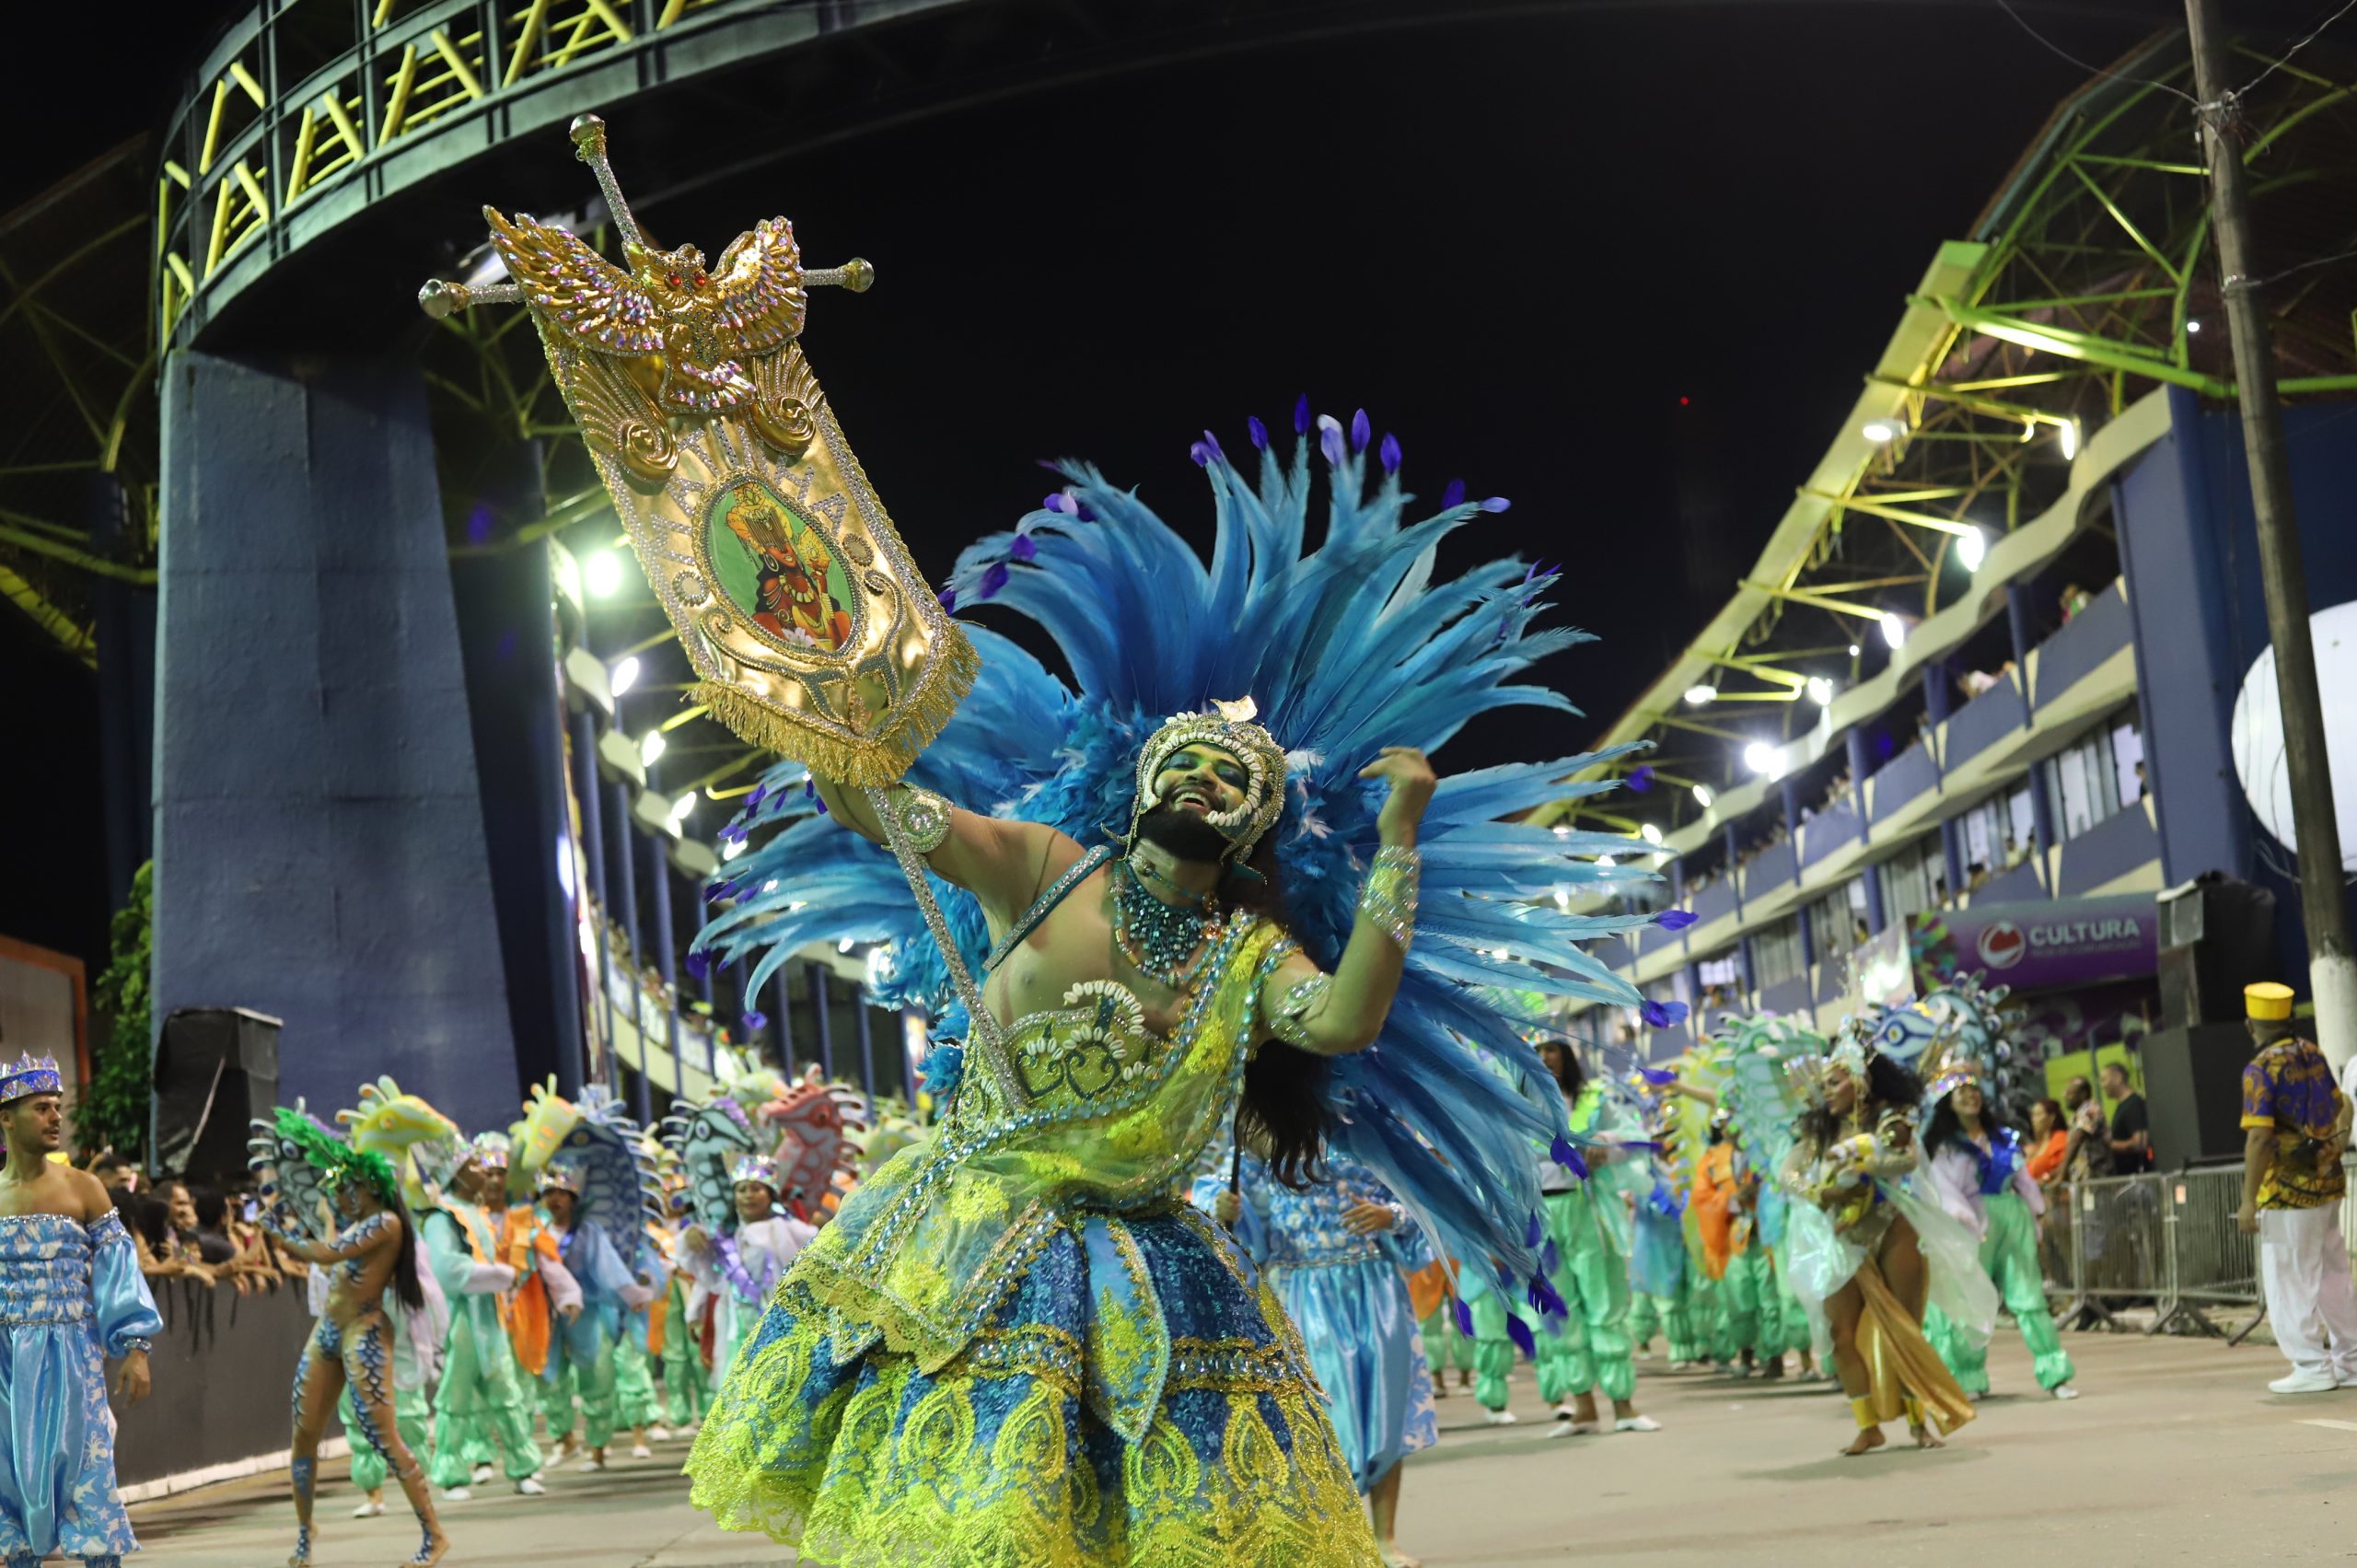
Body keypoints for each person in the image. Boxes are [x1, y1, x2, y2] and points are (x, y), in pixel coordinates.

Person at [1206, 1149, 1437, 1566]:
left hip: (1376, 1289)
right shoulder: (1265, 1134)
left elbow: (1423, 1193)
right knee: (1323, 1421)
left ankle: (1385, 1539)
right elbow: (1225, 1191)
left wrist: (1392, 1216)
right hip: (1303, 1293)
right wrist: (1222, 1205)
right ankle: (1338, 1540)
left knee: (1387, 1413)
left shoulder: (1368, 1126)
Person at [1780, 1032, 1993, 1457]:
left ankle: (1919, 1423)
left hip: (1893, 1227)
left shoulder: (1890, 1120)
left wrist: (1864, 1164)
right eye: (1823, 1085)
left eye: (1834, 1082)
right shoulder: (1819, 1127)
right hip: (1842, 1239)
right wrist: (1820, 1192)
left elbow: (1908, 1160)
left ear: (1859, 1082)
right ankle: (1868, 1426)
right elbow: (1789, 1172)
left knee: (1903, 1327)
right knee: (1840, 1334)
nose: (1826, 1092)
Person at [254, 1109, 448, 1568]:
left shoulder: (386, 1224)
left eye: (348, 1189)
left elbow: (323, 1253)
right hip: (329, 1332)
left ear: (372, 1188)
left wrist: (278, 1233)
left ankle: (434, 1533)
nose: (341, 1197)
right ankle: (304, 1534)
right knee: (304, 1435)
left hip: (363, 1331)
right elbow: (329, 1253)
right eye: (338, 1190)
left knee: (384, 1436)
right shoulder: (357, 1223)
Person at [0, 1052, 160, 1568]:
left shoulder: (84, 1188)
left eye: (57, 1107)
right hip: (4, 1361)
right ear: (6, 1117)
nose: (55, 1118)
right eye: (41, 1108)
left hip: (73, 1356)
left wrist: (136, 1348)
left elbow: (119, 1271)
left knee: (89, 1476)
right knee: (9, 1480)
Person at [1920, 1075, 2078, 1400]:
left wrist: (2035, 1212)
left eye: (1974, 1090)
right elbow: (1941, 1187)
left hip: (2011, 1217)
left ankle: (2055, 1374)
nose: (1970, 1096)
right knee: (1970, 1302)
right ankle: (1968, 1376)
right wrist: (1963, 1218)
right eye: (1961, 1092)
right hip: (1970, 1223)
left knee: (2029, 1297)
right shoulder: (1945, 1147)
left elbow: (2023, 1178)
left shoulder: (2003, 1138)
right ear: (1947, 1101)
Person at [2235, 981, 2357, 1394]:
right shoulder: (2313, 1053)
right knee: (2333, 1275)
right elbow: (2346, 1104)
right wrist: (2337, 1143)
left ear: (2252, 1024)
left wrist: (2248, 1201)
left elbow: (2259, 1138)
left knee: (2288, 1277)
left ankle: (2310, 1365)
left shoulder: (2261, 1069)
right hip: (2327, 1183)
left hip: (2286, 1192)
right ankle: (2352, 1360)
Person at [1531, 1042, 1656, 1434]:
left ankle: (1624, 1407)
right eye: (1534, 1049)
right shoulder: (1508, 1106)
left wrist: (1604, 1145)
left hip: (1587, 1210)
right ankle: (1583, 1409)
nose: (1544, 1057)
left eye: (1551, 1048)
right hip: (1538, 1219)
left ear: (1567, 1055)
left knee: (1605, 1306)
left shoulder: (1593, 1098)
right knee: (1559, 1312)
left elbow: (1635, 1137)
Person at [419, 1142, 546, 1501]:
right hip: (461, 1320)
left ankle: (524, 1467)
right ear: (456, 1174)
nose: (482, 1172)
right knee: (455, 1400)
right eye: (474, 1165)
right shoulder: (441, 1216)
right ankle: (451, 1473)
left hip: (488, 1319)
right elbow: (448, 1271)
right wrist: (500, 1275)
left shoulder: (474, 1213)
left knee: (507, 1395)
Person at [678, 1155, 815, 1380]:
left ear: (770, 1195)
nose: (748, 1195)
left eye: (756, 1189)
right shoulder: (724, 1236)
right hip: (736, 1325)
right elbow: (710, 1279)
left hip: (781, 1322)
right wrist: (694, 1312)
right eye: (741, 1190)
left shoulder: (790, 1230)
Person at [2101, 1062, 2154, 1174]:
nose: (2103, 1085)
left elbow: (2140, 1143)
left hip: (2135, 1178)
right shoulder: (2125, 1105)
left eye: (2104, 1079)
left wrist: (2108, 1145)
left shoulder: (2132, 1106)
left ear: (2118, 1078)